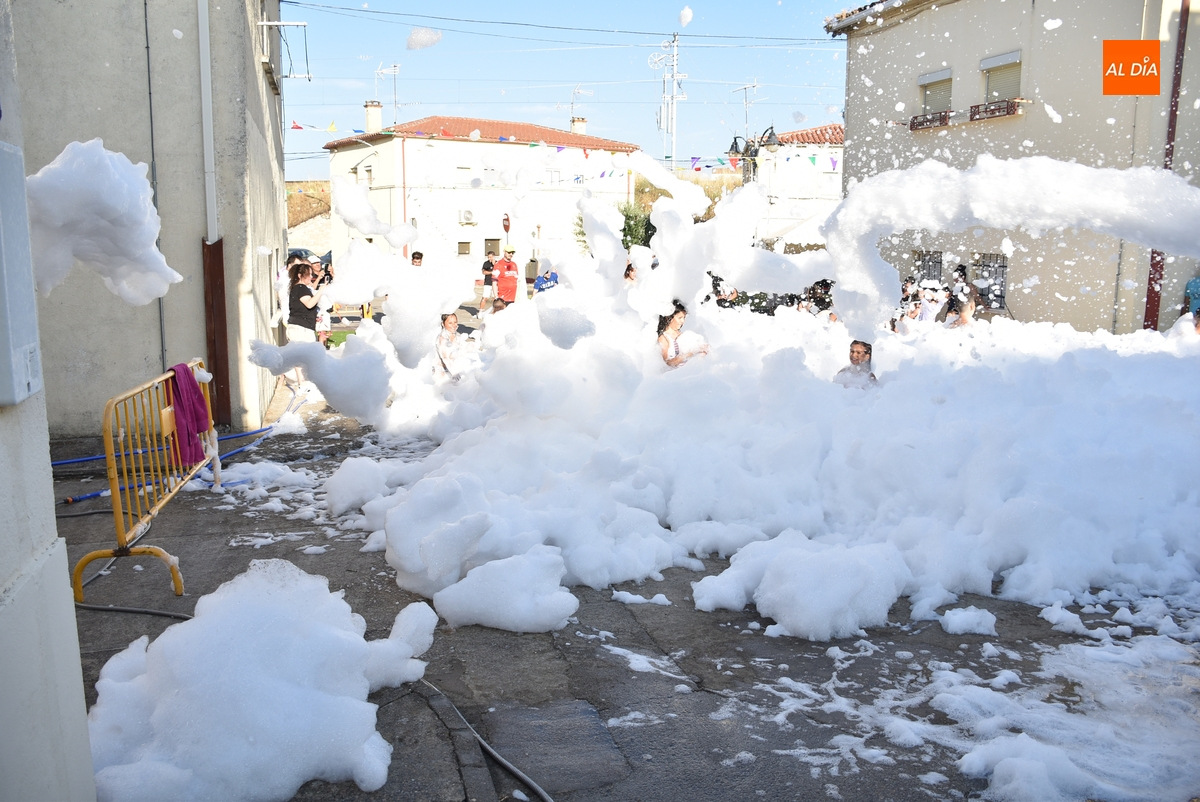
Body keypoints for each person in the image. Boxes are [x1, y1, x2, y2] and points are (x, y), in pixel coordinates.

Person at [657, 300, 708, 368]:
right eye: (680, 318)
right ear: (668, 318)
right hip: (676, 372)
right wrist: (690, 353)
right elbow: (667, 363)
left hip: (689, 369)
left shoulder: (682, 335)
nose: (683, 321)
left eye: (684, 317)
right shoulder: (664, 338)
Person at [434, 312, 473, 381]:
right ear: (443, 324)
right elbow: (445, 358)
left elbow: (462, 349)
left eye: (455, 322)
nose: (454, 325)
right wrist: (455, 373)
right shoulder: (442, 339)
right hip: (442, 373)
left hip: (454, 368)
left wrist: (472, 346)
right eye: (450, 323)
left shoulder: (456, 335)